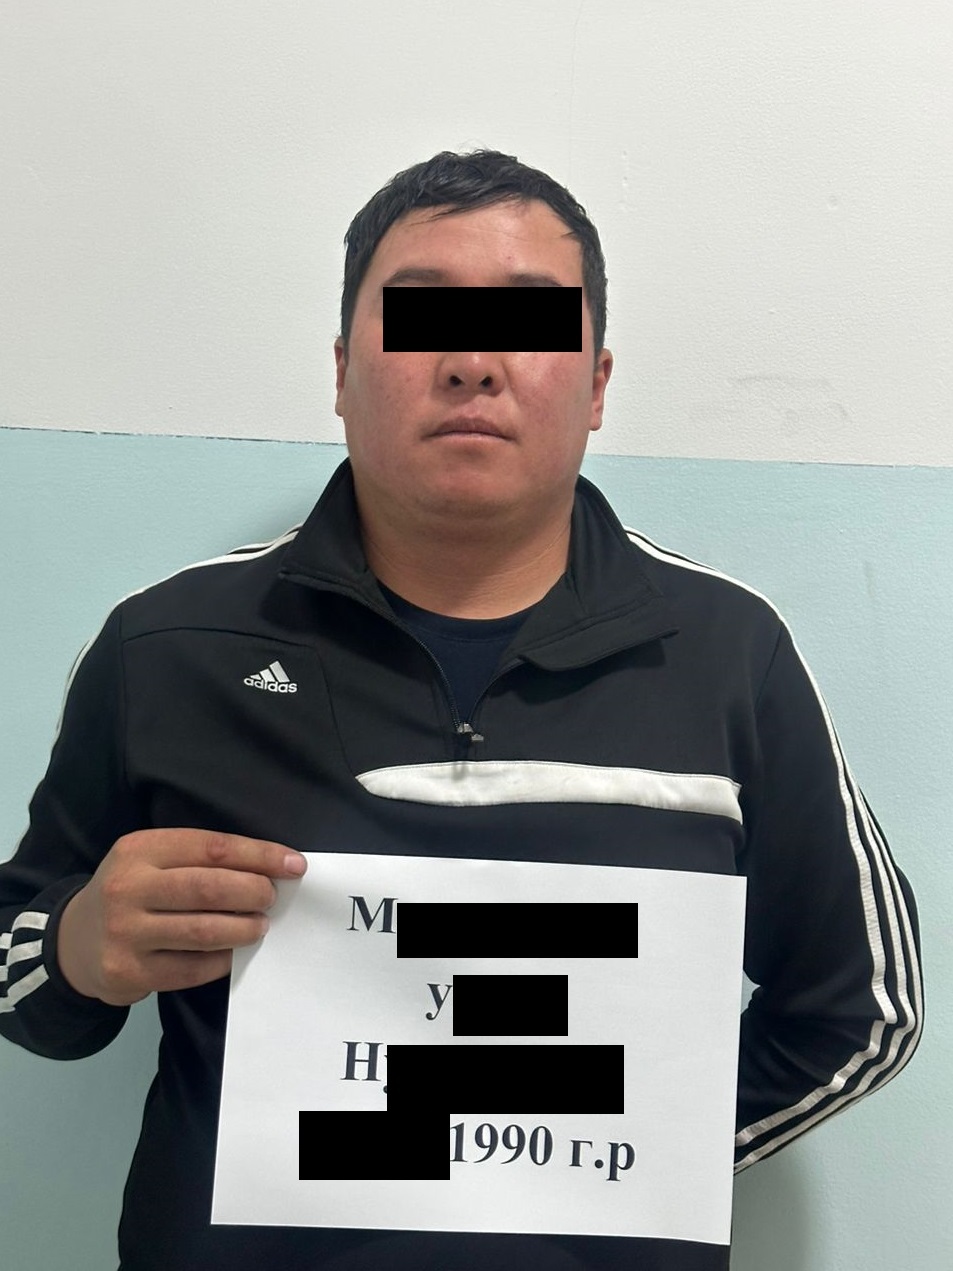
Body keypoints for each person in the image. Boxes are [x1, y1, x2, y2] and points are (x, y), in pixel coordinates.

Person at [0, 149, 922, 1271]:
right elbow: (21, 970)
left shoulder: (731, 655)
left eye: (526, 325)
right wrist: (81, 944)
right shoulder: (166, 648)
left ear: (595, 384)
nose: (472, 362)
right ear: (341, 370)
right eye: (421, 316)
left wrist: (632, 1153)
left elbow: (864, 1008)